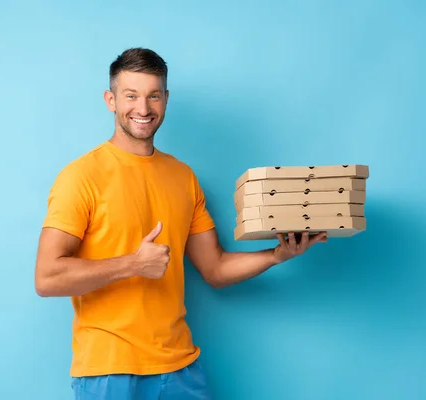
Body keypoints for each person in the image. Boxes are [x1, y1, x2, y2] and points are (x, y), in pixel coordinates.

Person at [35, 47, 327, 399]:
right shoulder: (80, 177)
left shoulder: (183, 177)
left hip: (180, 370)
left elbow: (216, 269)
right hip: (108, 371)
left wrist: (277, 255)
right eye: (131, 96)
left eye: (153, 96)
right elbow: (47, 277)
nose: (143, 109)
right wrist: (133, 264)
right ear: (110, 100)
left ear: (166, 99)